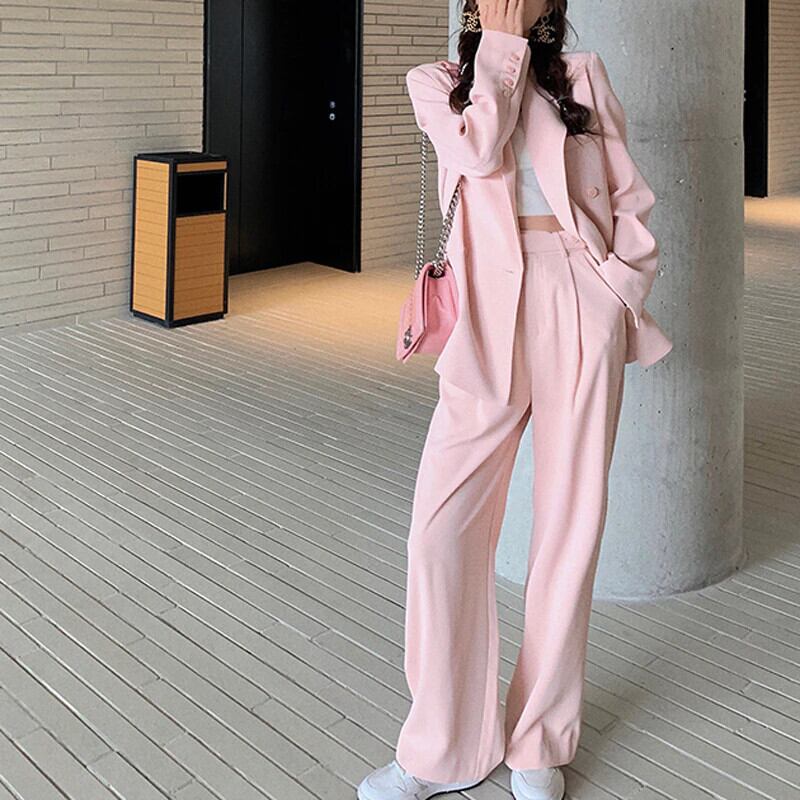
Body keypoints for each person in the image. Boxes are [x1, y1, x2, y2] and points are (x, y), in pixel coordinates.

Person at [358, 1, 672, 798]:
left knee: (569, 527)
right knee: (440, 534)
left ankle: (539, 742)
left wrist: (616, 290)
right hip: (485, 316)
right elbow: (475, 146)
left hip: (578, 299)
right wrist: (500, 47)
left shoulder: (581, 77)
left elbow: (629, 197)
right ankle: (440, 747)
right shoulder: (438, 83)